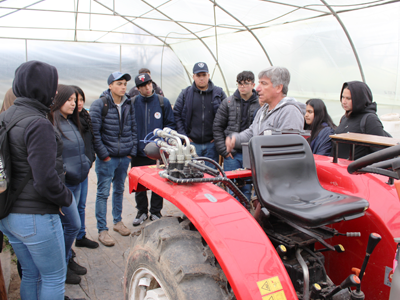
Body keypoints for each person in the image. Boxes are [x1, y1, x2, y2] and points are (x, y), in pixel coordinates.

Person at [0, 60, 72, 299]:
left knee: (31, 273)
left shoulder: (6, 116)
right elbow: (45, 179)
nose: (55, 92)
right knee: (53, 277)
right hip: (35, 217)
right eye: (52, 86)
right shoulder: (38, 123)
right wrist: (66, 197)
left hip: (9, 214)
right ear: (43, 87)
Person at [48, 84, 91, 285]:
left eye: (75, 100)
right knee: (71, 225)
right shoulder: (52, 123)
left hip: (79, 179)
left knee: (72, 224)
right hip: (66, 183)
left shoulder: (70, 121)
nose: (74, 104)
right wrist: (64, 173)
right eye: (70, 100)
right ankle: (61, 266)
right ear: (58, 101)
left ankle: (68, 259)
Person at [90, 72, 137, 247]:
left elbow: (133, 127)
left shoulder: (128, 104)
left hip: (124, 157)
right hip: (107, 158)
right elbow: (95, 133)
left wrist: (130, 152)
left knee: (119, 190)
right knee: (103, 193)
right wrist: (104, 155)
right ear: (110, 86)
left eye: (125, 84)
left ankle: (118, 222)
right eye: (119, 83)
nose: (123, 87)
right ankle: (102, 230)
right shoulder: (99, 104)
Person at [226, 66, 305, 152]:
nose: (257, 89)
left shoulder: (289, 112)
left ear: (278, 88)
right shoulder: (263, 110)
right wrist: (236, 139)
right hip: (261, 164)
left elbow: (287, 150)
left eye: (264, 83)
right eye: (259, 83)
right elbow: (253, 132)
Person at [131, 73, 176, 226]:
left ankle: (156, 212)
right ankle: (142, 211)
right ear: (138, 88)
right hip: (138, 152)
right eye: (143, 85)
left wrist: (162, 143)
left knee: (159, 182)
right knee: (139, 183)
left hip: (158, 153)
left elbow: (170, 125)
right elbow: (128, 126)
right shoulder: (131, 104)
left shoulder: (163, 102)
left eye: (149, 84)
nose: (148, 87)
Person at [213, 71, 260, 203]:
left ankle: (244, 215)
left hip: (251, 155)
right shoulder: (227, 102)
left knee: (247, 189)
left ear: (253, 84)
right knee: (231, 188)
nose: (242, 86)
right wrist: (225, 152)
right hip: (232, 155)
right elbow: (217, 127)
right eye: (240, 83)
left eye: (246, 83)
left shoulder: (260, 105)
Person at [173, 62, 227, 168]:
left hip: (212, 145)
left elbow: (227, 115)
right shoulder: (185, 94)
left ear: (208, 75)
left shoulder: (219, 93)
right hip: (192, 145)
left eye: (204, 75)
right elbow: (177, 114)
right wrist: (184, 137)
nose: (201, 78)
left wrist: (219, 136)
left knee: (211, 178)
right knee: (193, 176)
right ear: (193, 76)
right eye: (198, 75)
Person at [72, 85, 99, 249]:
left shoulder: (85, 117)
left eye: (81, 99)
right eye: (75, 100)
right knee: (71, 208)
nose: (79, 103)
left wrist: (90, 159)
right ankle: (70, 243)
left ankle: (80, 236)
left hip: (84, 169)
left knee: (81, 205)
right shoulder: (66, 120)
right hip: (72, 172)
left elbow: (89, 143)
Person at [335, 81, 387, 160]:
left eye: (348, 98)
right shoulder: (345, 118)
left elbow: (380, 152)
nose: (344, 101)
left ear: (359, 99)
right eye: (343, 97)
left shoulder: (370, 119)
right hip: (339, 168)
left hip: (357, 170)